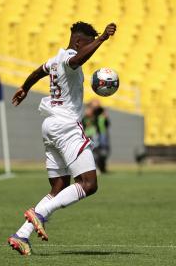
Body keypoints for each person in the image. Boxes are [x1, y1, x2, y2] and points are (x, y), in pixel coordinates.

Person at [7, 21, 117, 256]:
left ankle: (21, 234)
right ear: (78, 42)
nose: (89, 50)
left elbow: (38, 72)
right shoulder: (68, 58)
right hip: (66, 126)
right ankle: (39, 214)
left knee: (59, 188)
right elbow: (76, 60)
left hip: (50, 125)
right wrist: (101, 40)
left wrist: (25, 88)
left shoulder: (54, 60)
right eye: (87, 44)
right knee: (89, 184)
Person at [83, 99, 111, 173]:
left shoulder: (100, 113)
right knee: (93, 152)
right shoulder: (87, 116)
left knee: (101, 152)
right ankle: (94, 168)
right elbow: (84, 124)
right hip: (91, 135)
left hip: (99, 134)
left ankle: (101, 167)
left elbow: (107, 124)